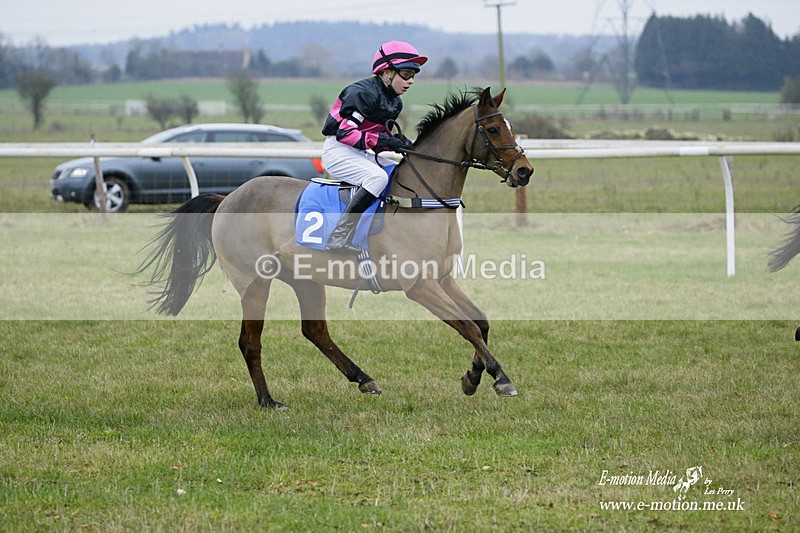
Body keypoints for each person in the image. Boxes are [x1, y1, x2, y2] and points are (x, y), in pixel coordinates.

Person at [321, 40, 427, 254]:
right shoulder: (362, 93)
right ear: (386, 72)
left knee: (399, 172)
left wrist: (398, 143)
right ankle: (339, 237)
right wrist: (383, 141)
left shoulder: (395, 102)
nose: (411, 81)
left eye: (414, 75)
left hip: (359, 152)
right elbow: (345, 133)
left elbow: (377, 137)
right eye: (406, 74)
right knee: (377, 178)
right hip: (338, 151)